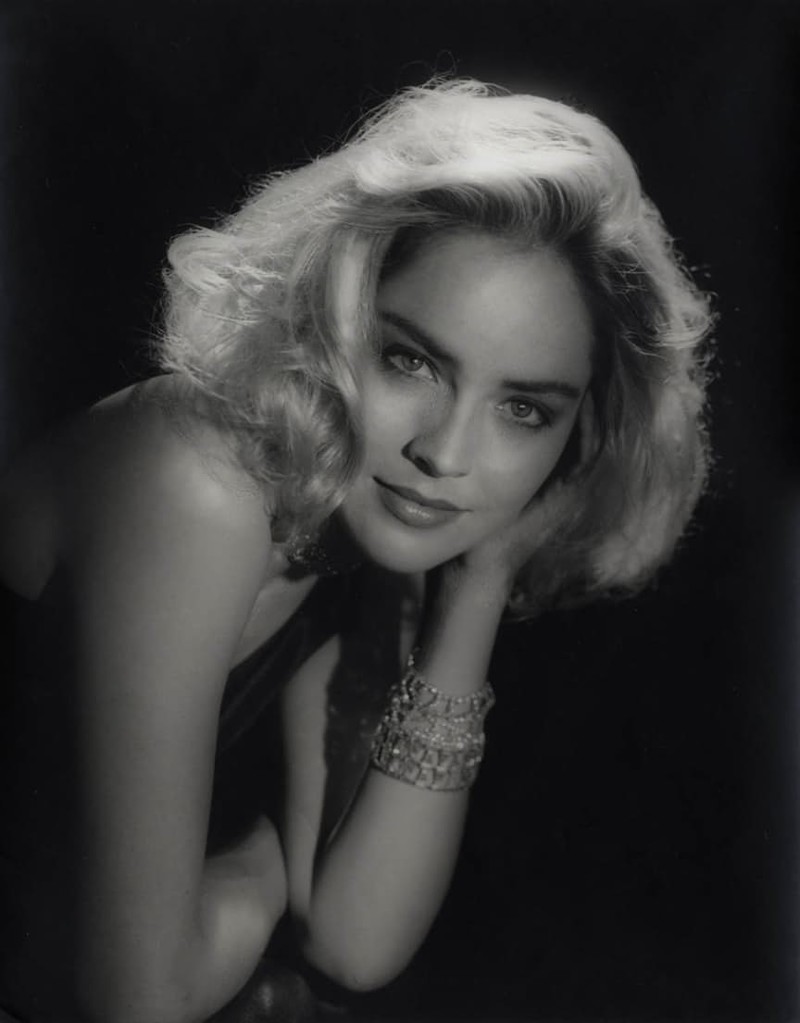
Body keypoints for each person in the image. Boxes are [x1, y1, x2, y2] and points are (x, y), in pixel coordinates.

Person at [0, 78, 713, 1023]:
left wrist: (480, 583)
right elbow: (132, 1000)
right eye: (410, 360)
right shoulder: (193, 480)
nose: (445, 454)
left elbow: (356, 935)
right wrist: (262, 868)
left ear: (579, 435)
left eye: (523, 410)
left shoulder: (357, 532)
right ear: (333, 313)